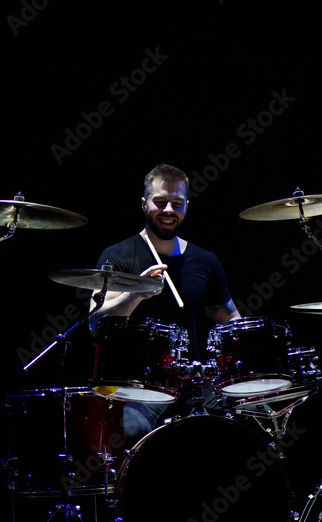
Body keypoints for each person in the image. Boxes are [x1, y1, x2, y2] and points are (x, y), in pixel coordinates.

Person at [89, 163, 241, 442]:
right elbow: (95, 322)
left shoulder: (206, 261)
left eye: (177, 203)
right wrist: (136, 293)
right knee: (129, 433)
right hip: (138, 385)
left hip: (197, 383)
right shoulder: (118, 257)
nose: (169, 210)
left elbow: (230, 321)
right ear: (144, 203)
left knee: (239, 425)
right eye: (160, 202)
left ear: (187, 206)